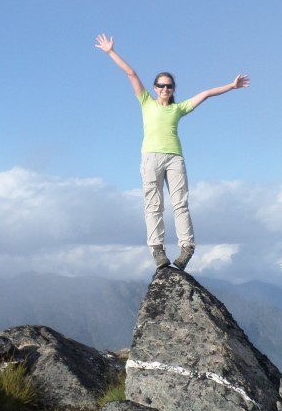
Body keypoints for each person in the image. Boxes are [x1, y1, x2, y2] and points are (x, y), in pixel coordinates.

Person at [96, 33, 250, 271]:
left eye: (169, 85)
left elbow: (206, 93)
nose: (165, 88)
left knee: (180, 203)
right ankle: (157, 250)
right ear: (155, 88)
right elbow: (131, 74)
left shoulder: (179, 108)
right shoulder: (146, 101)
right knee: (153, 205)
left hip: (174, 158)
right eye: (161, 85)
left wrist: (232, 85)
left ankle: (187, 247)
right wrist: (110, 52)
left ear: (173, 88)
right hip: (150, 157)